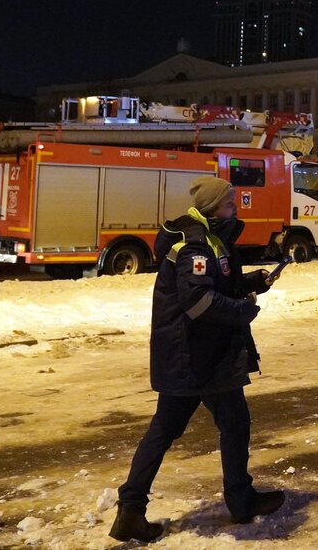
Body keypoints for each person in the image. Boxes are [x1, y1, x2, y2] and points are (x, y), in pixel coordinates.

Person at [110, 175, 286, 543]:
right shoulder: (195, 246)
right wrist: (244, 311)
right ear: (211, 207)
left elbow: (212, 287)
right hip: (197, 359)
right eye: (229, 203)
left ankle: (131, 511)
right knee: (228, 424)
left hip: (193, 356)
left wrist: (251, 281)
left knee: (171, 430)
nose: (234, 208)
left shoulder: (206, 239)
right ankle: (240, 500)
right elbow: (199, 303)